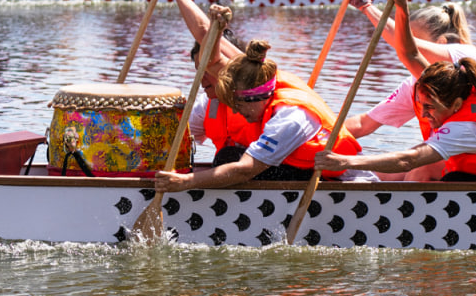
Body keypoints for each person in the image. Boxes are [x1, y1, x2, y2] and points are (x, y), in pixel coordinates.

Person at [315, 0, 476, 183]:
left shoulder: (470, 59)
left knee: (418, 169)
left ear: (440, 42)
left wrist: (377, 7)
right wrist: (318, 137)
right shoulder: (426, 84)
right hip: (474, 165)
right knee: (390, 173)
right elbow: (364, 123)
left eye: (409, 35)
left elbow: (408, 51)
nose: (425, 113)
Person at [152, 37, 372, 192]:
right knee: (227, 157)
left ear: (251, 97)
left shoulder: (290, 117)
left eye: (236, 104)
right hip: (299, 172)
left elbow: (244, 171)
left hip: (346, 183)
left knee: (230, 160)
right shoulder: (250, 102)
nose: (235, 111)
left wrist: (185, 183)